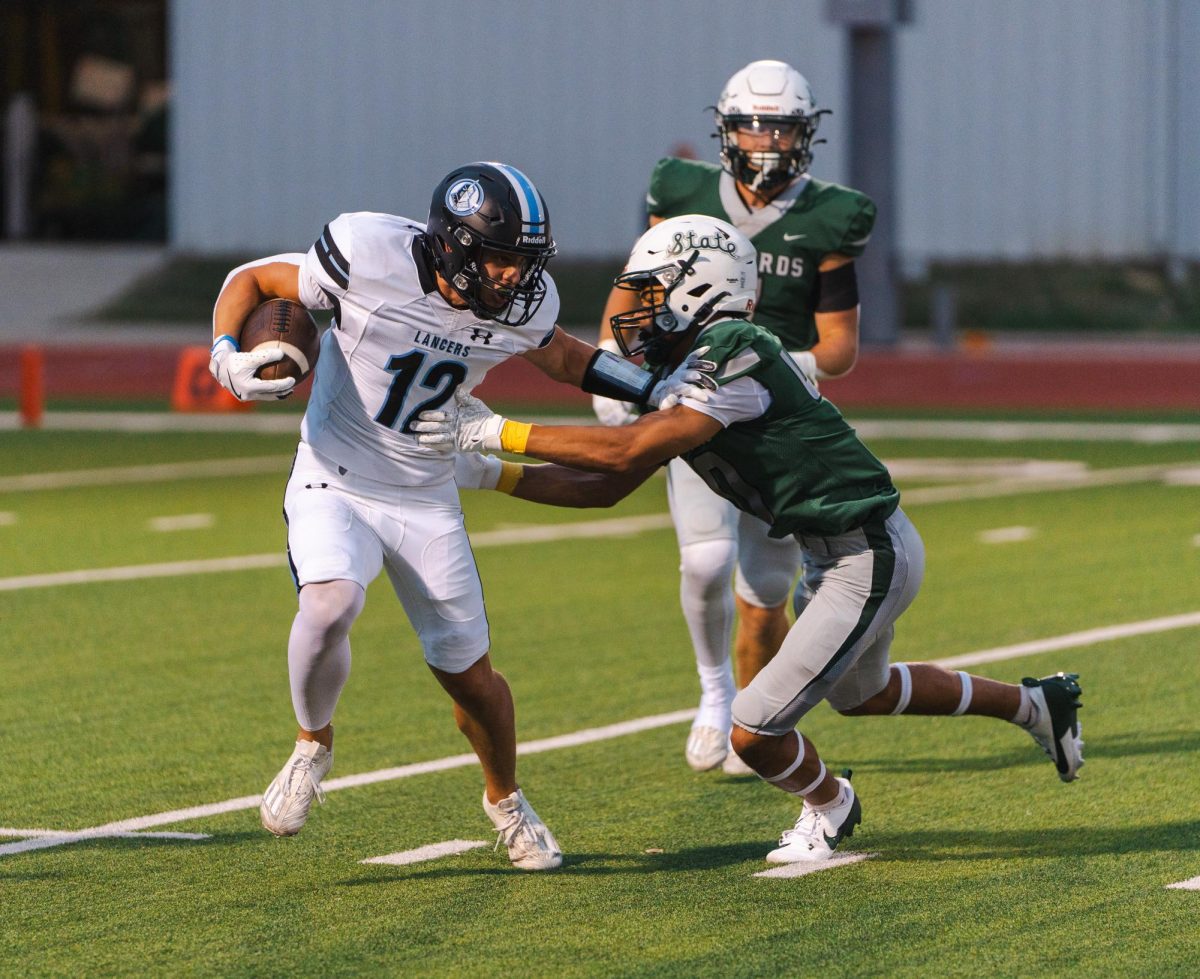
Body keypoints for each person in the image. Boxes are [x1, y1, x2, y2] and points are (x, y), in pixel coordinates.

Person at [422, 215, 1085, 864]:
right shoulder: (685, 368)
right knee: (864, 694)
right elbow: (606, 486)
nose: (636, 308)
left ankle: (830, 803)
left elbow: (627, 451)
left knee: (755, 728)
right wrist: (494, 475)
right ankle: (1035, 704)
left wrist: (495, 431)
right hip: (836, 553)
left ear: (698, 291)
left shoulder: (736, 349)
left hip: (866, 551)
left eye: (651, 293)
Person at [208, 162, 698, 871]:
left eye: (525, 263)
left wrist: (654, 386)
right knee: (328, 604)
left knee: (471, 678)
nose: (513, 279)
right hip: (335, 474)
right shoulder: (368, 253)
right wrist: (226, 355)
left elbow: (565, 358)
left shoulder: (521, 304)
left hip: (426, 492)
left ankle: (504, 798)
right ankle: (312, 744)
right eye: (500, 259)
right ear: (454, 245)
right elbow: (252, 280)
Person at [592, 60, 876, 775]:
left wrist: (769, 365)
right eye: (754, 123)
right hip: (695, 392)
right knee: (706, 557)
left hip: (775, 411)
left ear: (807, 133)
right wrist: (609, 360)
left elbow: (838, 349)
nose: (767, 141)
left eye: (781, 126)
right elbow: (637, 287)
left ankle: (758, 712)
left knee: (767, 590)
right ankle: (714, 693)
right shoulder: (681, 189)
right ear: (725, 128)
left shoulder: (831, 214)